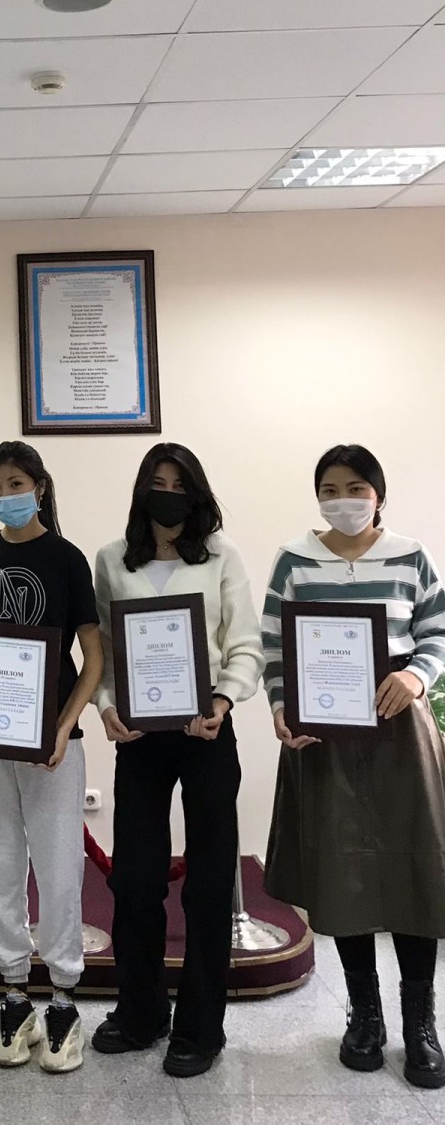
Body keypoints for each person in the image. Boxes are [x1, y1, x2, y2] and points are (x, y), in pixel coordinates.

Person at [263, 444, 445, 1090]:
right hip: (324, 734)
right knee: (341, 872)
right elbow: (274, 644)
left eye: (356, 488)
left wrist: (417, 678)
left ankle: (420, 1023)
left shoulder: (410, 555)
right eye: (330, 489)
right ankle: (364, 1015)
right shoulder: (294, 560)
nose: (343, 500)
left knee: (415, 866)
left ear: (379, 495)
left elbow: (438, 633)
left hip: (399, 729)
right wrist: (282, 707)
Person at [89, 443, 263, 1078]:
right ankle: (140, 1012)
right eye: (156, 482)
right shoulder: (112, 559)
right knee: (135, 880)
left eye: (178, 483)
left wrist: (221, 699)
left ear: (196, 492)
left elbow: (244, 643)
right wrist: (107, 706)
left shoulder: (222, 555)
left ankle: (200, 1027)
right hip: (140, 737)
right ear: (141, 490)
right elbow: (103, 651)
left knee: (209, 883)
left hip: (207, 731)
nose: (167, 493)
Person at [0, 440, 102, 1074]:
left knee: (60, 868)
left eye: (15, 483)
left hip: (52, 745)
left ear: (38, 487)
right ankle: (14, 995)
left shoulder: (66, 559)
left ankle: (64, 999)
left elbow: (94, 657)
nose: (5, 494)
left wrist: (64, 726)